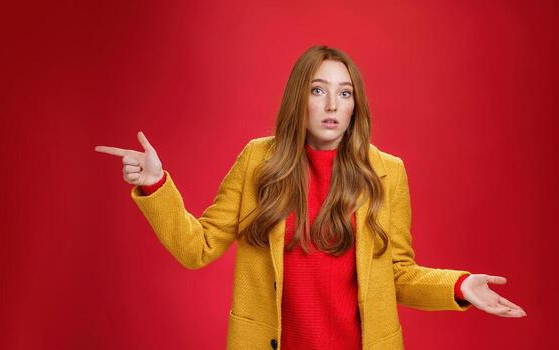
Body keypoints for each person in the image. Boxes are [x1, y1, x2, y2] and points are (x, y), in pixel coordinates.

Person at [95, 45, 525, 349]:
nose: (332, 105)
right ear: (299, 98)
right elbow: (198, 247)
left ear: (356, 104)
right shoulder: (256, 161)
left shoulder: (387, 172)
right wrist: (155, 184)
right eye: (318, 90)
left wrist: (460, 285)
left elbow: (395, 275)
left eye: (345, 92)